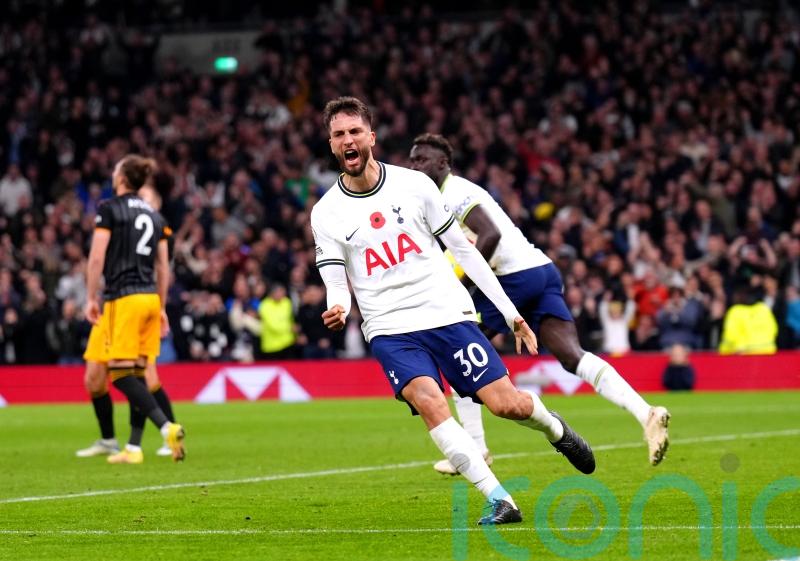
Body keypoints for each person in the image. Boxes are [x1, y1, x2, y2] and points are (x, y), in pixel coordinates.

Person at [312, 97, 595, 526]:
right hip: (390, 329)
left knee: (506, 406)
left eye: (354, 131)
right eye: (338, 135)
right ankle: (500, 499)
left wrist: (510, 311)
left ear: (371, 136)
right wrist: (338, 306)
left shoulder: (414, 186)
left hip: (446, 314)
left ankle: (555, 429)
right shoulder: (326, 213)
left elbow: (465, 249)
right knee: (429, 401)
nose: (347, 140)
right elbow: (337, 281)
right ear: (331, 144)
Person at [408, 133, 671, 471]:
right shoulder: (440, 197)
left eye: (421, 160)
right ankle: (646, 413)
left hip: (514, 276)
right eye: (412, 160)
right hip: (540, 270)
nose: (414, 165)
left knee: (459, 355)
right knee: (572, 356)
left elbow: (489, 235)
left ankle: (474, 452)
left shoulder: (456, 192)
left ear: (442, 163)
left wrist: (459, 282)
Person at [84, 155, 185, 463]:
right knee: (138, 373)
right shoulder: (156, 218)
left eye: (115, 169)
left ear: (122, 178)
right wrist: (162, 306)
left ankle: (167, 426)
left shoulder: (109, 209)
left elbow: (97, 257)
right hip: (151, 299)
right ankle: (133, 447)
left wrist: (90, 297)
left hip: (123, 298)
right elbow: (163, 268)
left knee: (118, 373)